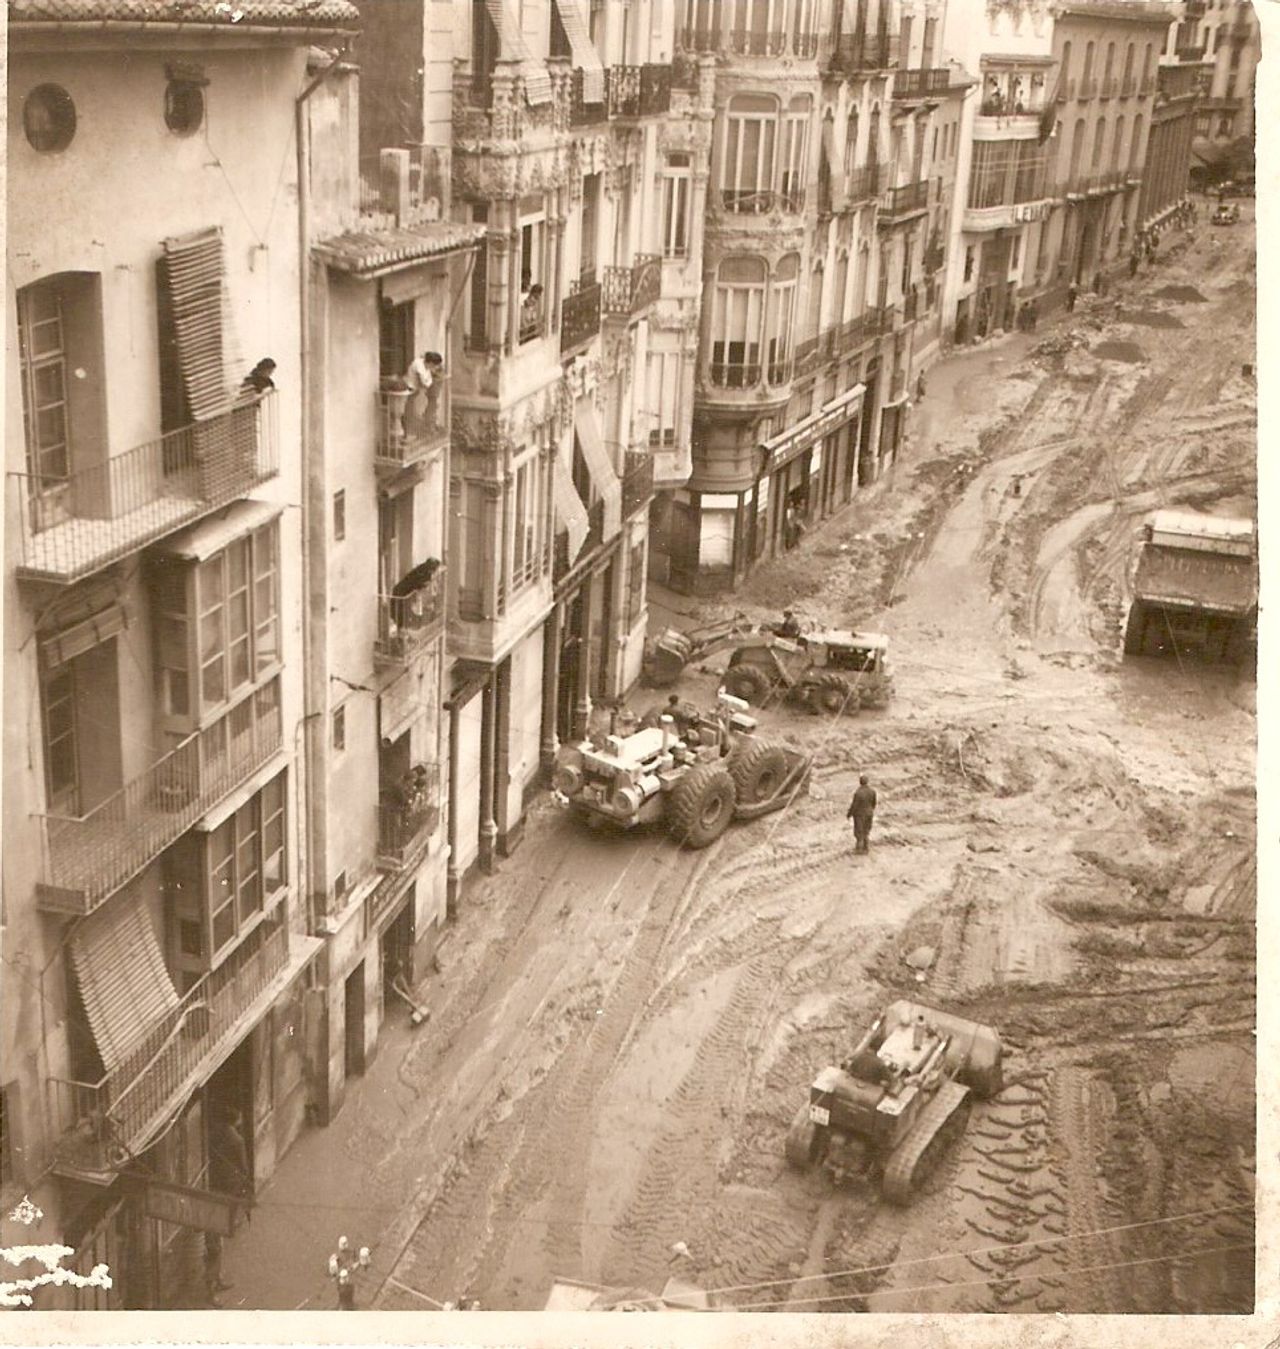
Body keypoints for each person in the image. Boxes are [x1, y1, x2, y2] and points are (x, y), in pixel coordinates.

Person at [404, 350, 445, 434]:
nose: (435, 367)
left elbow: (428, 380)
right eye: (435, 365)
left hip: (416, 390)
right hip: (410, 389)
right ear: (431, 363)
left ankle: (413, 429)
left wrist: (429, 380)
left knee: (414, 410)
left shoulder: (426, 367)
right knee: (409, 411)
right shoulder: (419, 366)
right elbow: (425, 383)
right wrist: (429, 381)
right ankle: (408, 431)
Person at [846, 774, 877, 855]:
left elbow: (854, 805)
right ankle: (866, 848)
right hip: (869, 813)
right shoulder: (872, 791)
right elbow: (874, 803)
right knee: (866, 831)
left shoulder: (858, 793)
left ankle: (859, 849)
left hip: (859, 815)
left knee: (859, 832)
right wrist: (870, 810)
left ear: (860, 782)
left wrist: (849, 814)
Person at [203, 1232, 231, 1304]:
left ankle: (218, 1282)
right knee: (213, 1257)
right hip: (210, 1230)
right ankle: (210, 1295)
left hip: (215, 1228)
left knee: (218, 1252)